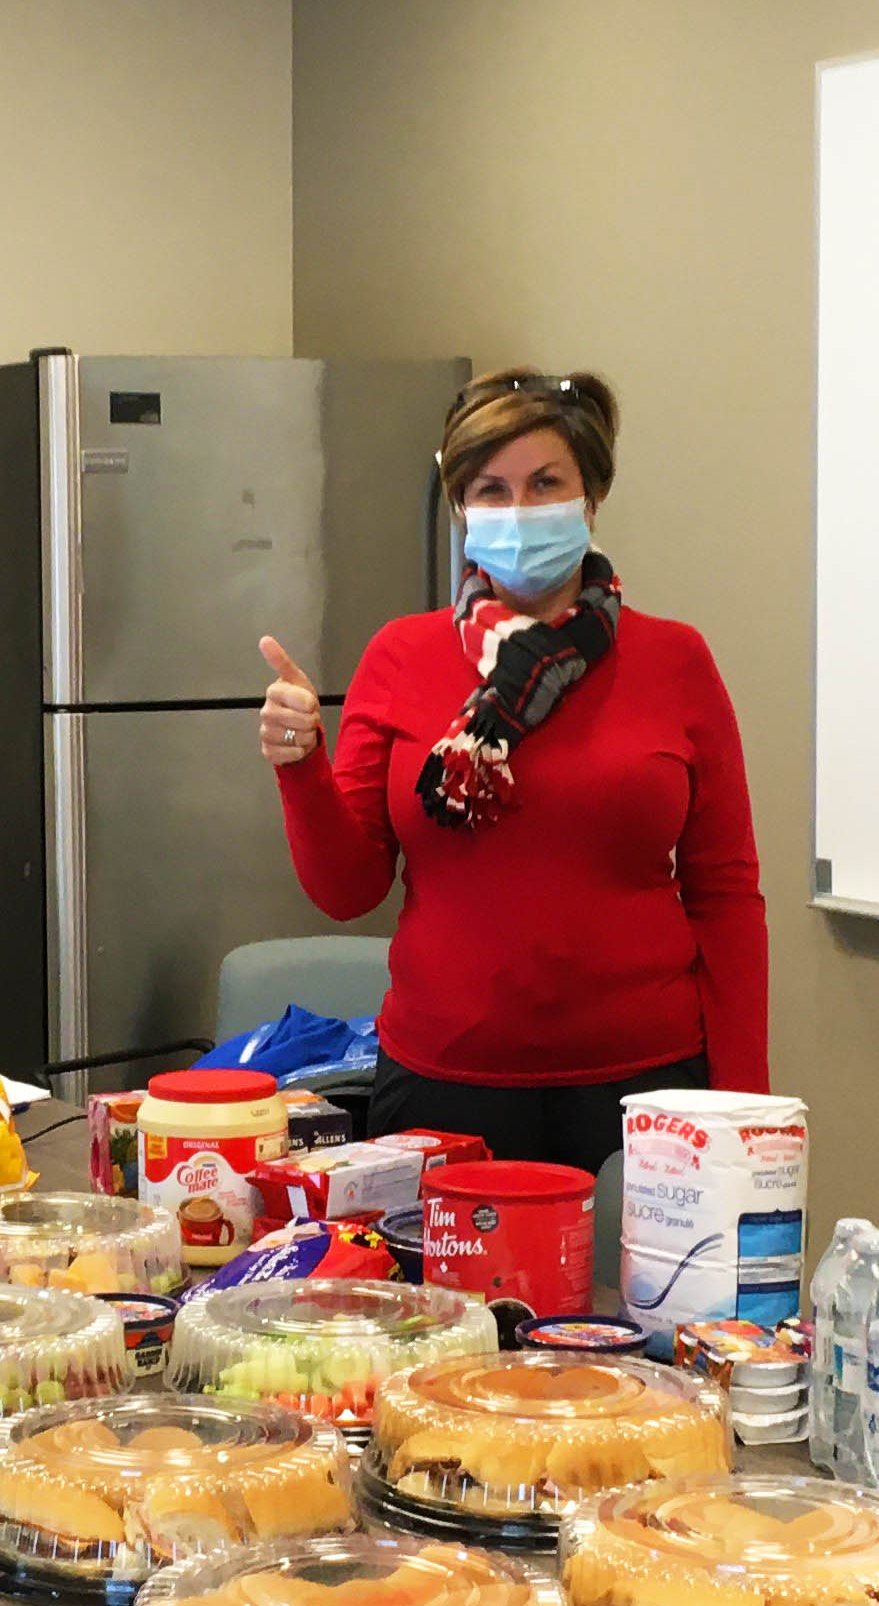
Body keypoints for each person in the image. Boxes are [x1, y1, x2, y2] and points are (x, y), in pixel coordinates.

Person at [258, 367, 768, 1179]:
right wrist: (300, 767)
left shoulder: (675, 659)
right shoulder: (401, 655)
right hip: (442, 1088)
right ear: (460, 508)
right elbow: (348, 888)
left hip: (646, 1099)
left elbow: (726, 893)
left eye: (545, 484)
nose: (519, 512)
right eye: (490, 490)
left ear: (591, 497)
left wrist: (744, 1108)